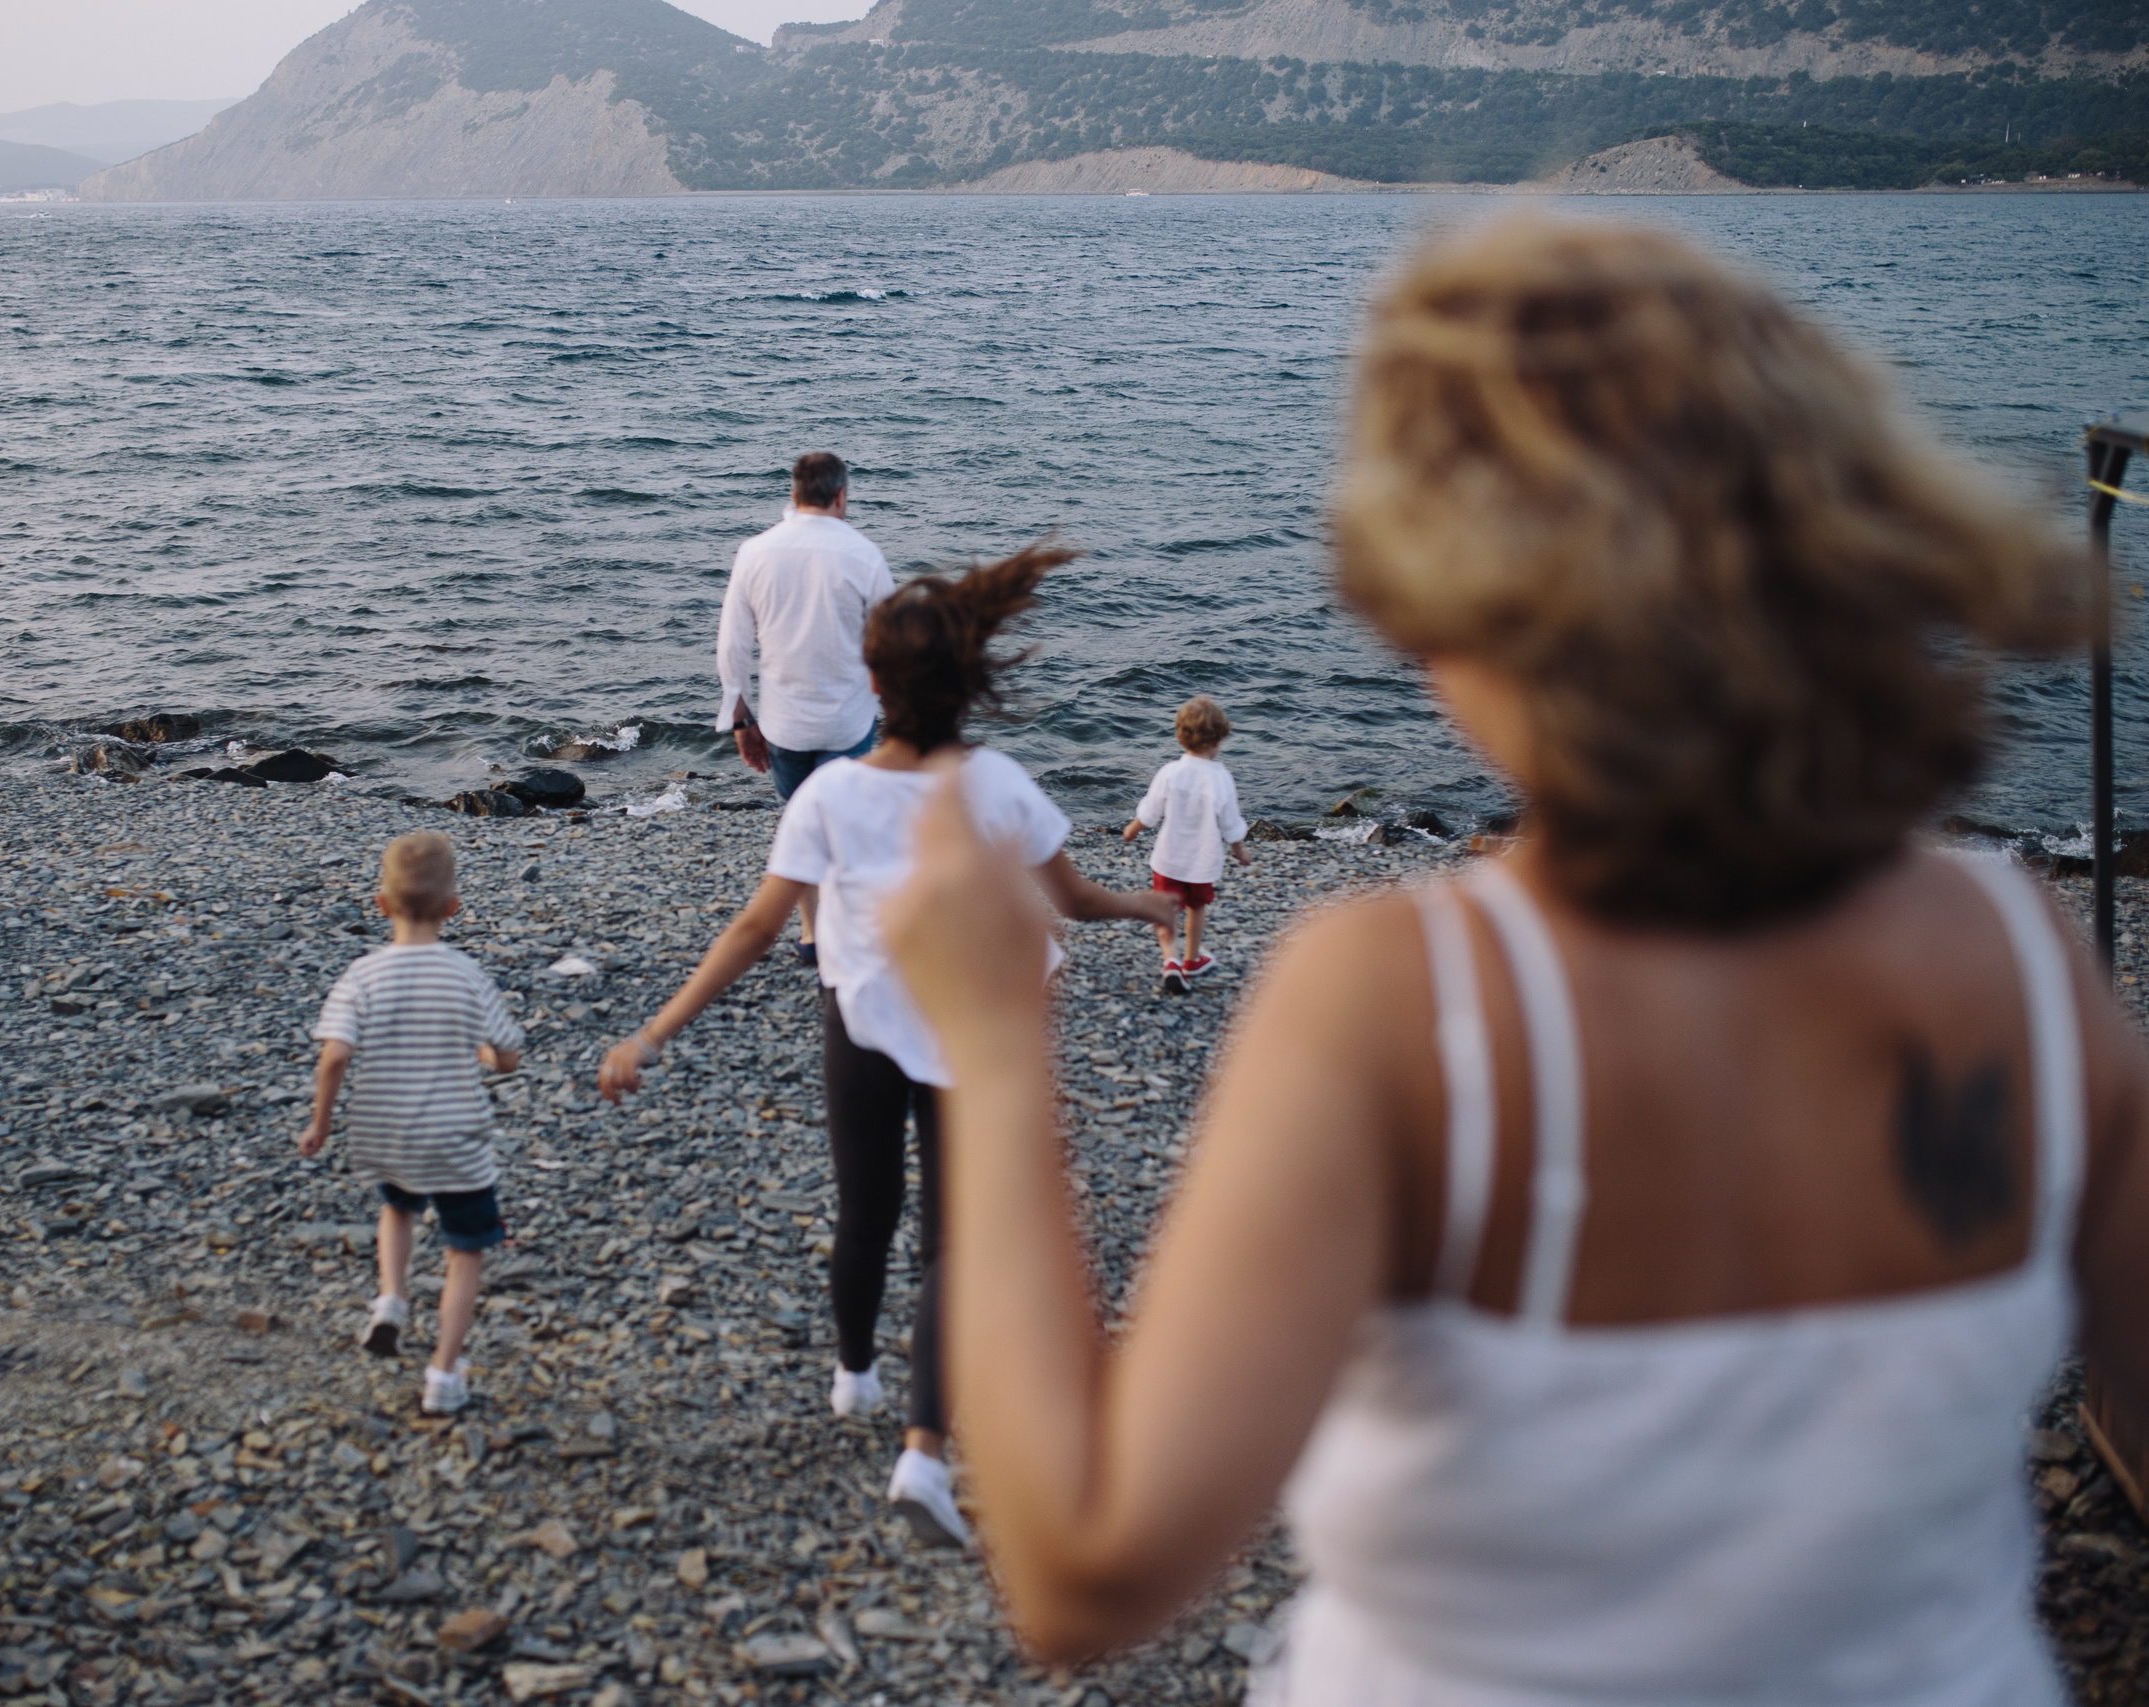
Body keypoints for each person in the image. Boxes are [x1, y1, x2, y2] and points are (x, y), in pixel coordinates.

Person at [880, 218, 2136, 1703]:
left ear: (1456, 597)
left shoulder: (1407, 998)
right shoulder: (2020, 955)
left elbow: (1085, 1565)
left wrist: (996, 1041)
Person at [607, 544, 1177, 1545]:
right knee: (950, 1241)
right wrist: (1150, 908)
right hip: (968, 1033)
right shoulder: (999, 782)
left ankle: (852, 1374)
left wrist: (654, 1032)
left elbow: (753, 930)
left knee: (864, 1213)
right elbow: (1075, 901)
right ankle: (923, 1450)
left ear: (869, 684)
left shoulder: (826, 794)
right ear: (968, 689)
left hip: (859, 1024)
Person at [300, 831, 524, 1418]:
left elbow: (334, 1056)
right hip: (456, 1139)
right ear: (454, 909)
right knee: (465, 1249)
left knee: (398, 1208)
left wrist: (320, 1124)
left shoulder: (362, 977)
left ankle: (392, 1300)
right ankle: (443, 1375)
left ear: (380, 905)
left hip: (387, 1133)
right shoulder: (467, 975)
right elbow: (507, 1056)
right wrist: (480, 1053)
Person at [716, 451, 896, 964]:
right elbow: (888, 645)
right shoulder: (864, 554)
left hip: (784, 724)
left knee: (801, 827)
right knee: (845, 828)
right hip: (848, 724)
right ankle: (850, 932)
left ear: (793, 494)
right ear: (841, 495)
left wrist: (741, 719)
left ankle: (814, 935)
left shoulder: (755, 552)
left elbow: (732, 646)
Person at [1123, 694, 1252, 993]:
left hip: (1169, 858)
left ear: (1181, 737)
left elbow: (1151, 809)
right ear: (1219, 740)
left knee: (1166, 909)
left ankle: (1170, 960)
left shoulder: (1171, 772)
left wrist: (1133, 828)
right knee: (1196, 909)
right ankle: (1192, 960)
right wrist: (1240, 851)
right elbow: (1231, 824)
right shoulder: (1222, 778)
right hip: (1203, 863)